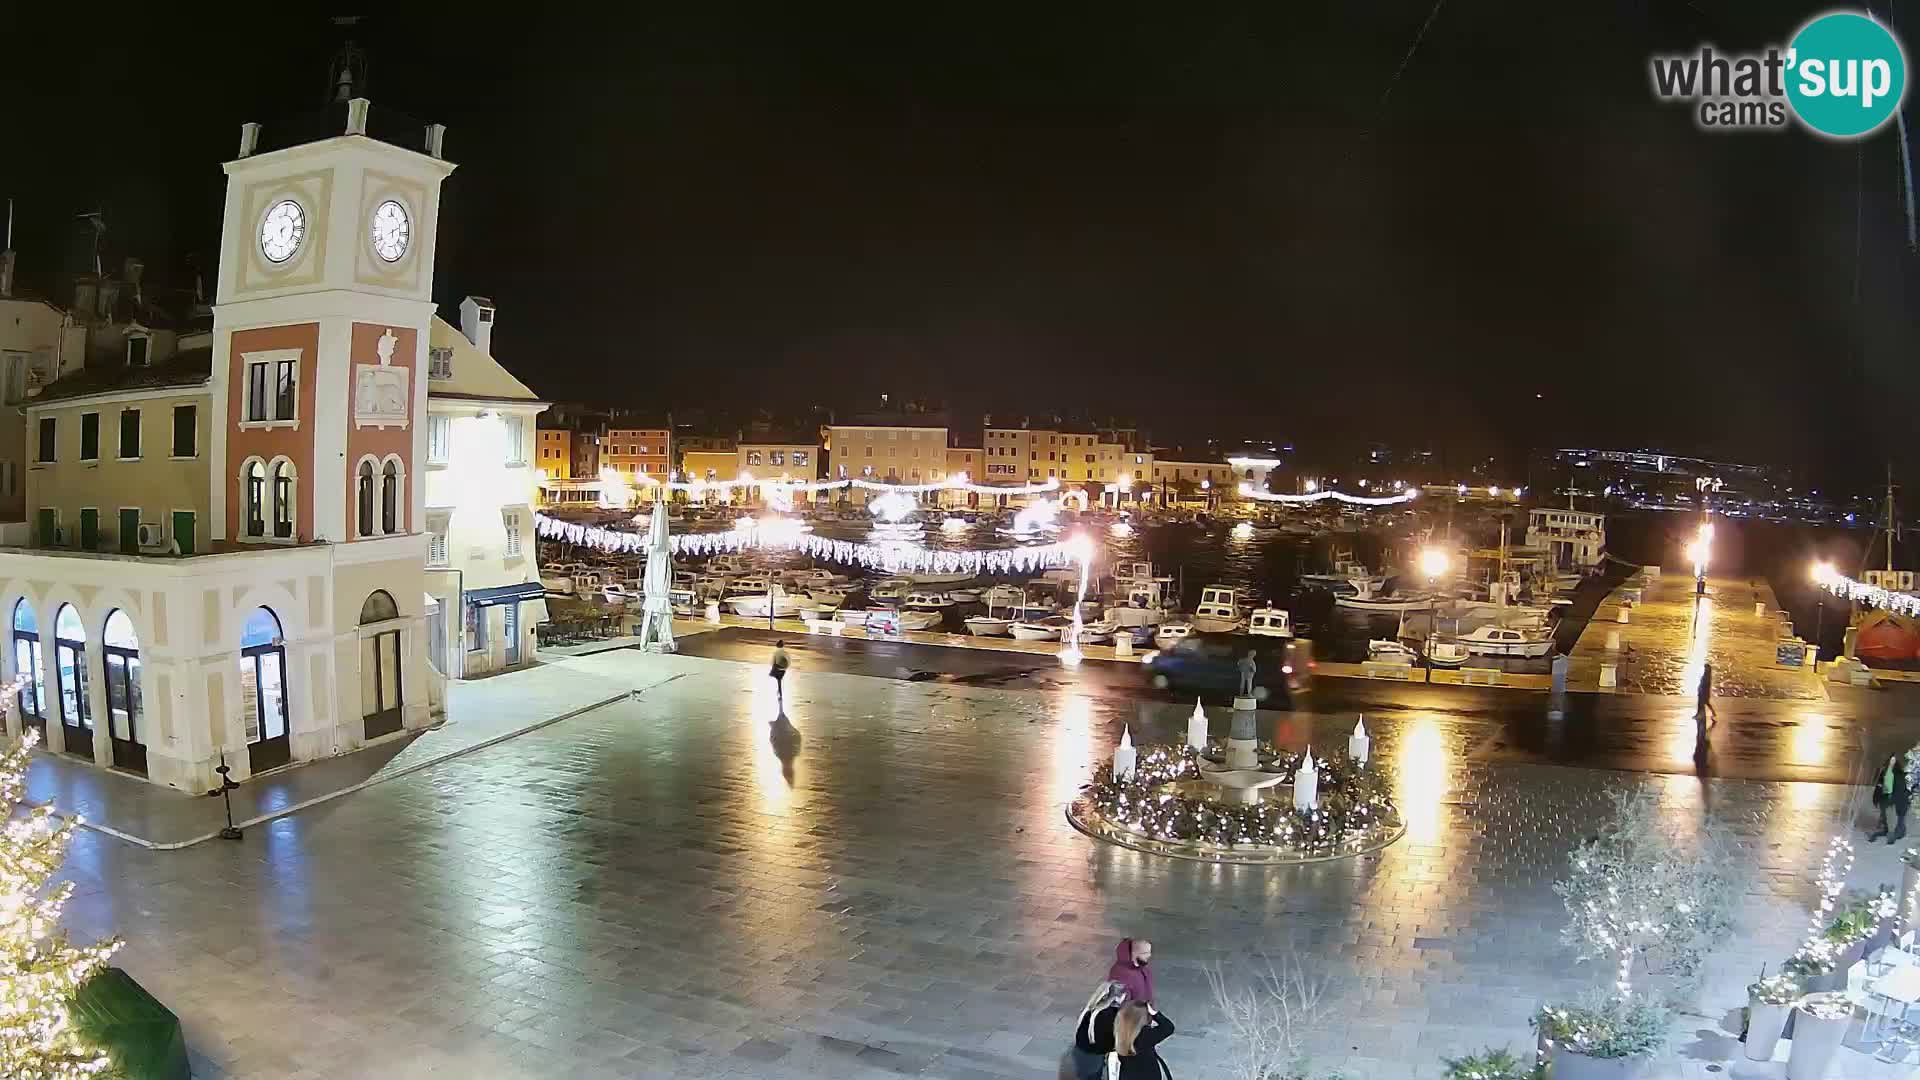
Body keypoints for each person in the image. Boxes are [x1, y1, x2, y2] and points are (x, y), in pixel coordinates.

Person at [1062, 980, 1127, 1080]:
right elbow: (1108, 1043)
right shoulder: (1111, 1015)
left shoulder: (1092, 1007)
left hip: (1080, 1053)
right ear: (1119, 997)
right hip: (1093, 1058)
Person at [1112, 1001, 1174, 1080]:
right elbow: (1169, 1027)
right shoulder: (1145, 1035)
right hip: (1149, 1075)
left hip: (1127, 1075)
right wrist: (1154, 1014)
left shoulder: (1119, 1032)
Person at [1871, 751, 1912, 844]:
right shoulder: (1886, 773)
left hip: (1899, 798)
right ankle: (1888, 827)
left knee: (1900, 815)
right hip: (1890, 797)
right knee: (1887, 811)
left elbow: (1900, 791)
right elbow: (1879, 785)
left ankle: (1899, 831)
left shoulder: (1898, 775)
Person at [1107, 938, 1154, 1004]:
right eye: (1145, 953)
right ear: (1134, 954)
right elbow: (1119, 1004)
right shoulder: (1119, 974)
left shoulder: (1143, 967)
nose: (1149, 955)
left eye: (1150, 952)